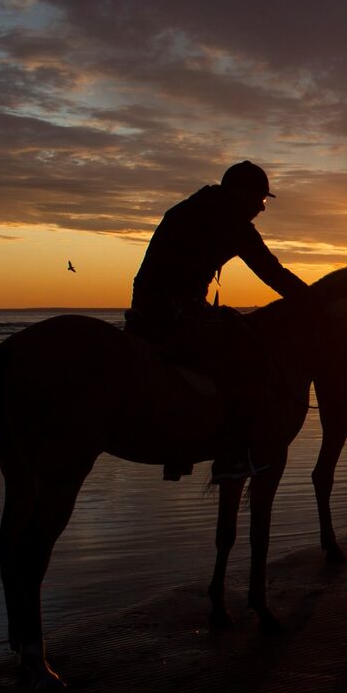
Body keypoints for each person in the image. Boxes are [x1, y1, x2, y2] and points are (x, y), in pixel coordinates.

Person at [128, 160, 309, 480]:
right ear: (241, 194)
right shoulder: (232, 221)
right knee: (251, 354)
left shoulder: (189, 208)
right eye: (260, 199)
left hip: (147, 306)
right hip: (177, 310)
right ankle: (235, 455)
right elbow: (272, 273)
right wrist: (317, 301)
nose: (262, 208)